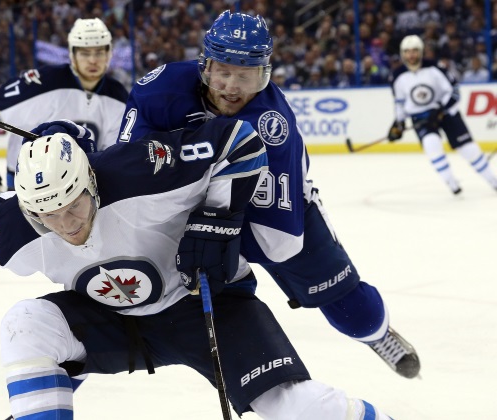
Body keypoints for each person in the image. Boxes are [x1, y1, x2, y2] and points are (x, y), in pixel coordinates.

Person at [0, 120, 393, 419]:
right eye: (48, 217)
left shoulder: (141, 171)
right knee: (25, 323)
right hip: (111, 319)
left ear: (89, 181)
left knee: (295, 408)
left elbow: (240, 143)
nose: (66, 226)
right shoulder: (13, 223)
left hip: (204, 302)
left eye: (74, 206)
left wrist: (216, 222)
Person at [119, 10, 421, 379]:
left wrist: (218, 235)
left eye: (246, 76)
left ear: (264, 74)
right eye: (223, 72)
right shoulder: (161, 89)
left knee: (349, 308)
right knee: (117, 277)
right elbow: (128, 163)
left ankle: (377, 335)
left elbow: (279, 244)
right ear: (205, 66)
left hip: (276, 212)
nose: (232, 86)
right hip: (188, 205)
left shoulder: (272, 127)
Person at [0, 17, 128, 197]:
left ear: (109, 53)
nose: (92, 60)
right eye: (84, 53)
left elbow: (114, 153)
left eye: (99, 53)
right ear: (72, 54)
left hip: (85, 196)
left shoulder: (118, 97)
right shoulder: (42, 83)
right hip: (28, 193)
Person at [388, 35, 497, 194]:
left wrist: (440, 110)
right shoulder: (397, 76)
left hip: (447, 113)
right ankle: (452, 184)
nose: (411, 55)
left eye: (414, 51)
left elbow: (455, 92)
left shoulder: (435, 67)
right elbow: (400, 102)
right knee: (431, 145)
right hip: (421, 118)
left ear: (421, 52)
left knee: (468, 148)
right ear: (402, 53)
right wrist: (398, 123)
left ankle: (493, 181)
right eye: (407, 52)